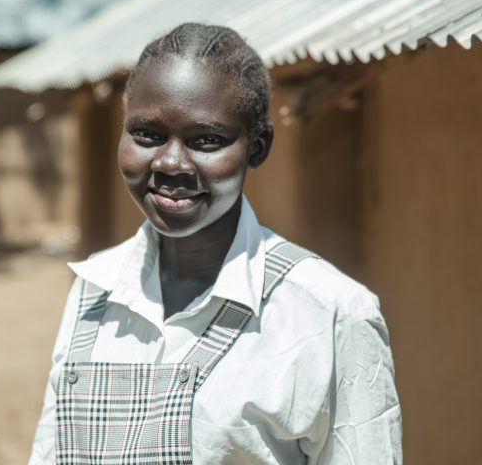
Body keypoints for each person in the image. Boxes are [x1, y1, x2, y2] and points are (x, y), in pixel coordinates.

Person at [28, 23, 402, 464]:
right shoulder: (94, 290)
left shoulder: (330, 314)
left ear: (257, 147)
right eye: (146, 134)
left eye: (207, 141)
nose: (170, 163)